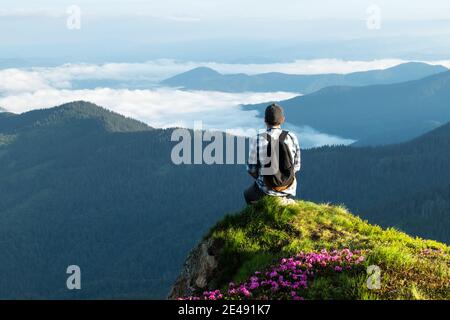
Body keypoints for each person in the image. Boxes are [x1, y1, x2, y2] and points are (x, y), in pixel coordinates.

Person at [244, 103, 301, 204]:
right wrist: (282, 180)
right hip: (288, 187)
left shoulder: (257, 139)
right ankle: (285, 201)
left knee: (248, 194)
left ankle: (260, 214)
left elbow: (251, 169)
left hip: (266, 189)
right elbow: (296, 167)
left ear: (265, 120)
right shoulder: (292, 137)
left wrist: (265, 178)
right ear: (282, 119)